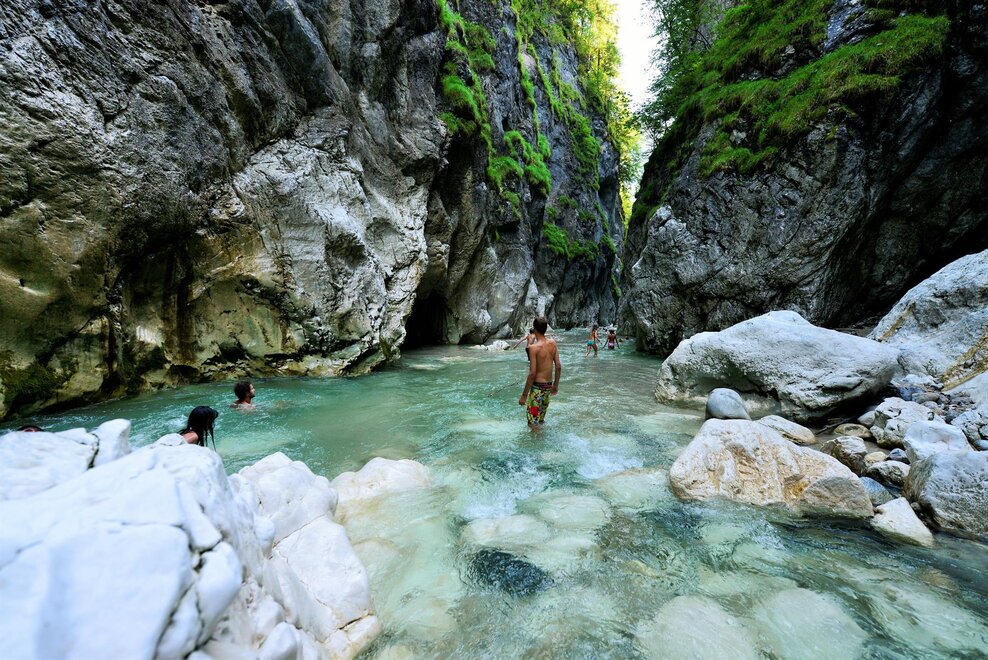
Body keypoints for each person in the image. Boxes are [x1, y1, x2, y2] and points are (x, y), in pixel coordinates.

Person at [519, 317, 561, 429]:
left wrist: (524, 396)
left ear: (535, 329)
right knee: (540, 420)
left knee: (532, 422)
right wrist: (555, 386)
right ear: (545, 329)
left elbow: (532, 374)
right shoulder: (553, 343)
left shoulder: (533, 348)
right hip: (547, 389)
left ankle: (537, 439)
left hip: (537, 391)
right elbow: (558, 367)